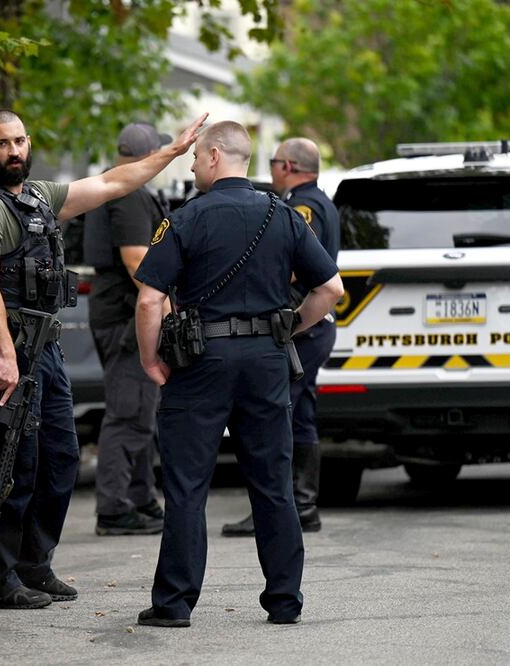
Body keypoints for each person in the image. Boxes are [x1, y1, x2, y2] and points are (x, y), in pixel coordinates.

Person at [0, 109, 207, 610]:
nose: (14, 151)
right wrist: (5, 354)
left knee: (62, 458)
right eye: (3, 144)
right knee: (16, 464)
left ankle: (35, 564)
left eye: (20, 141)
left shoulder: (38, 197)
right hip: (11, 350)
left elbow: (114, 182)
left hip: (44, 348)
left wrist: (172, 152)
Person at [132, 121, 343, 627]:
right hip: (267, 361)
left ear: (213, 156)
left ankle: (174, 605)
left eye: (195, 158)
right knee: (273, 483)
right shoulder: (283, 214)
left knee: (187, 486)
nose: (191, 166)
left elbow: (149, 300)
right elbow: (330, 289)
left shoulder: (187, 217)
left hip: (200, 362)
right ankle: (285, 601)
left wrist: (150, 359)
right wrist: (288, 328)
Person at [222, 137, 340, 537]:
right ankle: (299, 505)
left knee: (280, 417)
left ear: (288, 166)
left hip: (302, 326)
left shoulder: (302, 207)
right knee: (298, 412)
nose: (271, 169)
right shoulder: (319, 202)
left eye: (273, 162)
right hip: (313, 327)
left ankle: (284, 508)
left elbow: (294, 264)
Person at [83, 122, 172, 536]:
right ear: (149, 155)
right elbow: (137, 261)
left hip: (117, 313)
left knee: (141, 409)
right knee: (130, 412)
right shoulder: (129, 194)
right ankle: (115, 508)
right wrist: (167, 312)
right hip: (127, 318)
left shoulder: (114, 187)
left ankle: (139, 497)